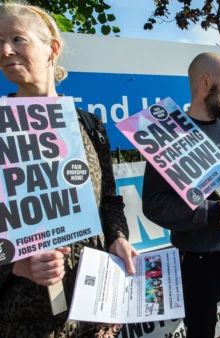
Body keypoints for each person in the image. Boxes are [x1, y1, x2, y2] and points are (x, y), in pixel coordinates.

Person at [0, 3, 137, 337]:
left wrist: (117, 238)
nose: (5, 50)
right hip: (27, 322)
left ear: (53, 48)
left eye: (18, 39)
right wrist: (14, 263)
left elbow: (109, 201)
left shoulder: (88, 125)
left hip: (95, 311)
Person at [142, 52, 220, 338]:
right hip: (198, 259)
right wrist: (215, 212)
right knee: (201, 332)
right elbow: (155, 205)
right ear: (206, 82)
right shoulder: (166, 137)